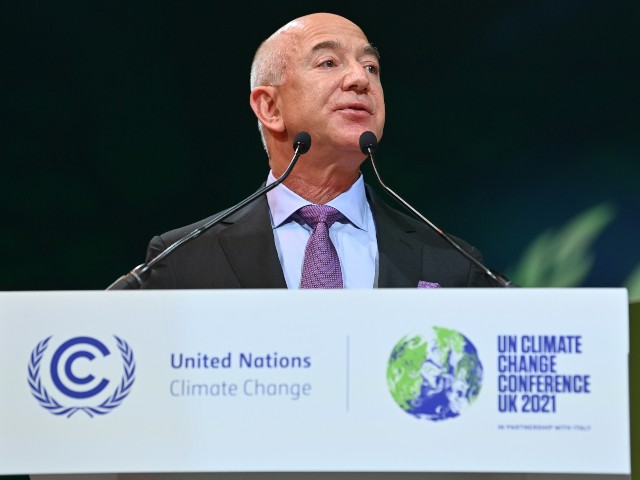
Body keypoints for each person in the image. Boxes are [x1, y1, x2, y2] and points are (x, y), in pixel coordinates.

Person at [140, 12, 493, 289]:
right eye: (328, 63)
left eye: (371, 67)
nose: (360, 79)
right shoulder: (181, 260)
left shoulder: (455, 264)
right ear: (270, 108)